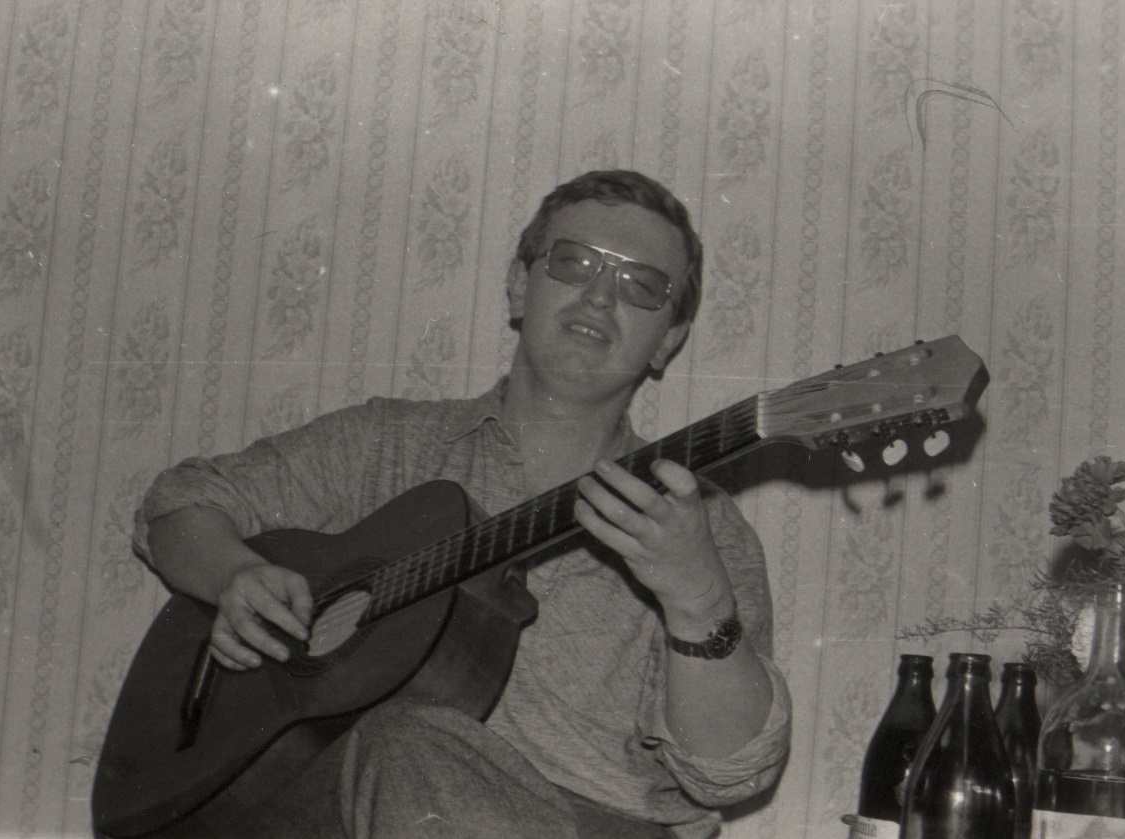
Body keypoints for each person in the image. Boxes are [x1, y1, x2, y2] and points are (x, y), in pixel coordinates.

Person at [133, 170, 791, 838]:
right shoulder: (387, 444)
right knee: (396, 747)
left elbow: (730, 772)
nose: (599, 295)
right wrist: (234, 575)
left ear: (669, 339)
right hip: (356, 803)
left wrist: (697, 599)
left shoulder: (699, 525)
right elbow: (181, 500)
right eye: (573, 262)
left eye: (640, 285)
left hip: (592, 824)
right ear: (519, 285)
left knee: (405, 742)